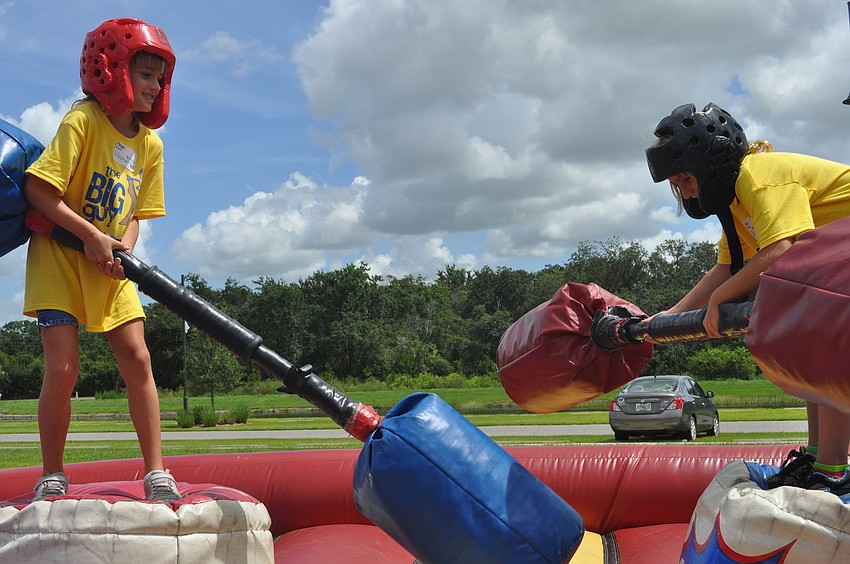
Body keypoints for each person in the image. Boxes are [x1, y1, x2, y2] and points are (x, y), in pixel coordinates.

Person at [644, 102, 850, 496]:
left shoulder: (759, 177)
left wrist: (721, 299)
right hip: (838, 262)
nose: (687, 192)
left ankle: (832, 470)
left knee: (822, 339)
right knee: (805, 342)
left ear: (713, 162)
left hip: (839, 262)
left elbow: (782, 250)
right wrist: (670, 316)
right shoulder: (734, 207)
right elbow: (726, 268)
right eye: (679, 184)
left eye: (687, 179)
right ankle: (818, 457)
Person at [23, 18, 180, 502]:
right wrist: (91, 235)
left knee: (138, 359)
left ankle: (156, 471)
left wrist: (122, 247)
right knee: (63, 369)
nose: (156, 86)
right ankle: (52, 472)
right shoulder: (82, 121)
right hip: (60, 259)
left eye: (161, 78)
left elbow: (136, 214)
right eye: (146, 74)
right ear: (111, 71)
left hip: (110, 265)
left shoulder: (150, 145)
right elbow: (38, 191)